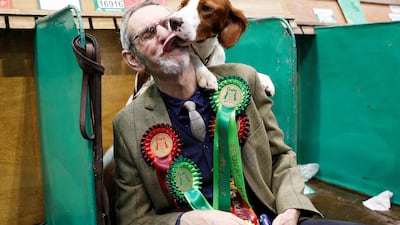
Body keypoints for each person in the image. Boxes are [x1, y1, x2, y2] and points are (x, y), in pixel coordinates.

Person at [112, 1, 367, 225]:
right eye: (148, 32)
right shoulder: (129, 124)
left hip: (269, 217)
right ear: (133, 60)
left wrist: (291, 209)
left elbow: (281, 157)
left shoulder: (245, 80)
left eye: (168, 23)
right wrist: (187, 220)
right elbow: (133, 218)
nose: (166, 33)